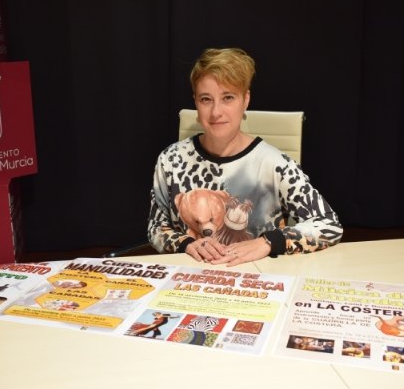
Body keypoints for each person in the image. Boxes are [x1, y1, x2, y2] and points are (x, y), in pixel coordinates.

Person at [147, 47, 342, 266]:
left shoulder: (275, 164)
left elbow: (329, 224)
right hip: (193, 275)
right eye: (206, 99)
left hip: (259, 275)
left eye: (228, 98)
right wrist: (186, 243)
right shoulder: (170, 160)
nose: (216, 112)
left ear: (245, 99)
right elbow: (156, 228)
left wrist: (267, 242)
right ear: (195, 102)